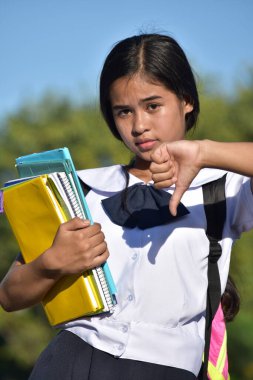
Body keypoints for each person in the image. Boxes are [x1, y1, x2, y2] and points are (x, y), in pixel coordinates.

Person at [0, 33, 253, 380]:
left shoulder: (226, 187)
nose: (138, 125)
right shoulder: (83, 189)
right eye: (123, 111)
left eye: (153, 106)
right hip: (68, 361)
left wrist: (206, 152)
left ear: (186, 100)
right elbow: (9, 296)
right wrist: (51, 263)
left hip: (165, 369)